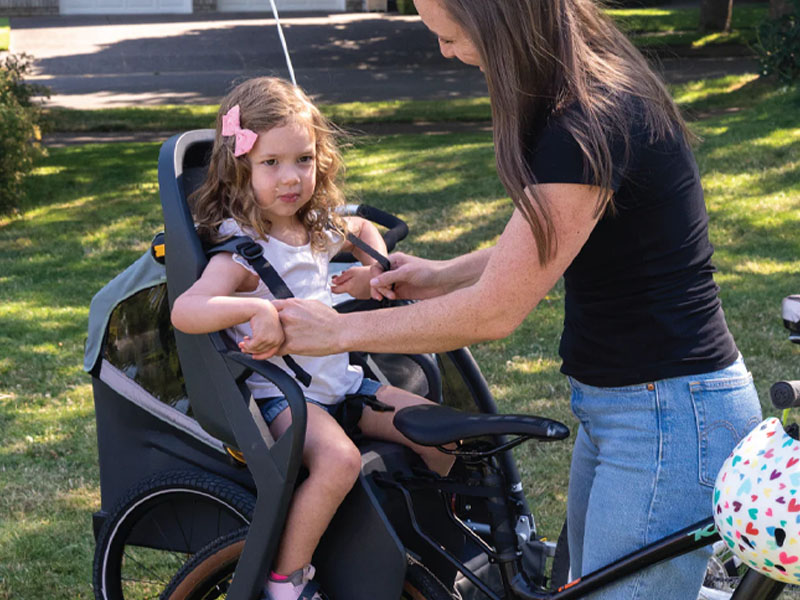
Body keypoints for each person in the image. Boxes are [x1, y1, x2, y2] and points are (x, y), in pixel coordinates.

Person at [272, 1, 763, 598]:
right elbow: (557, 237)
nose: (445, 51)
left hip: (665, 414)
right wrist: (441, 274)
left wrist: (337, 332)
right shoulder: (591, 92)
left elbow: (495, 313)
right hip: (639, 407)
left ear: (498, 20)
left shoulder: (586, 122)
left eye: (450, 36)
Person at [170, 76, 453, 600]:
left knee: (440, 434)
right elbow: (187, 311)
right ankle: (286, 581)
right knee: (339, 460)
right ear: (242, 169)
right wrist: (258, 307)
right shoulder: (241, 253)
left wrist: (373, 272)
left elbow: (366, 231)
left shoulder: (315, 225)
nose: (290, 178)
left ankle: (434, 539)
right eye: (271, 163)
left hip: (341, 384)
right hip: (285, 398)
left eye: (302, 159)